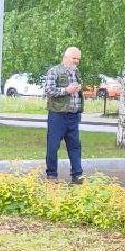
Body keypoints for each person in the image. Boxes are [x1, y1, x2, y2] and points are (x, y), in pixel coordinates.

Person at [43, 46, 84, 184]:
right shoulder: (54, 71)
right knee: (53, 146)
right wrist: (66, 90)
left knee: (75, 146)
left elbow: (75, 91)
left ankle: (77, 175)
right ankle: (51, 175)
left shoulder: (76, 72)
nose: (77, 61)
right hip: (57, 115)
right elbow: (49, 90)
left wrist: (78, 88)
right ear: (66, 57)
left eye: (78, 59)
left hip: (73, 115)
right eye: (74, 58)